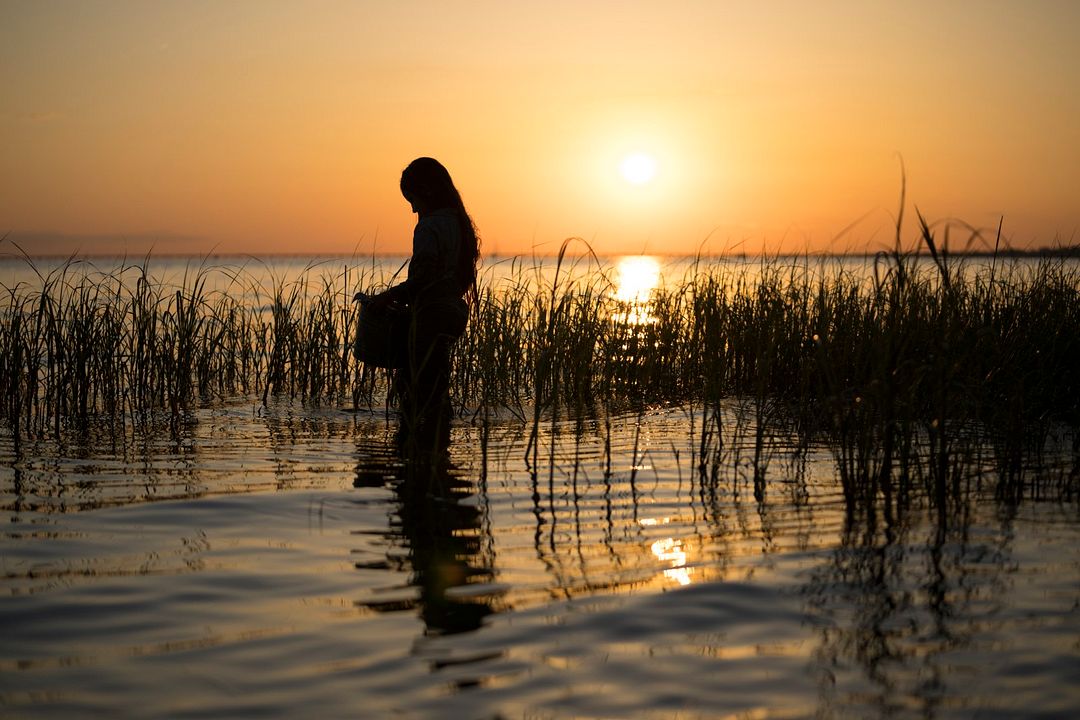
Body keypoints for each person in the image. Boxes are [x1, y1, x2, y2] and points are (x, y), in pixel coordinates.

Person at [363, 157, 480, 440]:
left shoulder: (428, 227)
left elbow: (424, 279)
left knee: (416, 391)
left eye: (412, 200)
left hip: (430, 319)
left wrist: (388, 297)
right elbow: (455, 279)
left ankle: (417, 458)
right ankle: (438, 453)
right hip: (453, 314)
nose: (413, 209)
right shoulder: (459, 223)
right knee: (436, 387)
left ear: (426, 193)